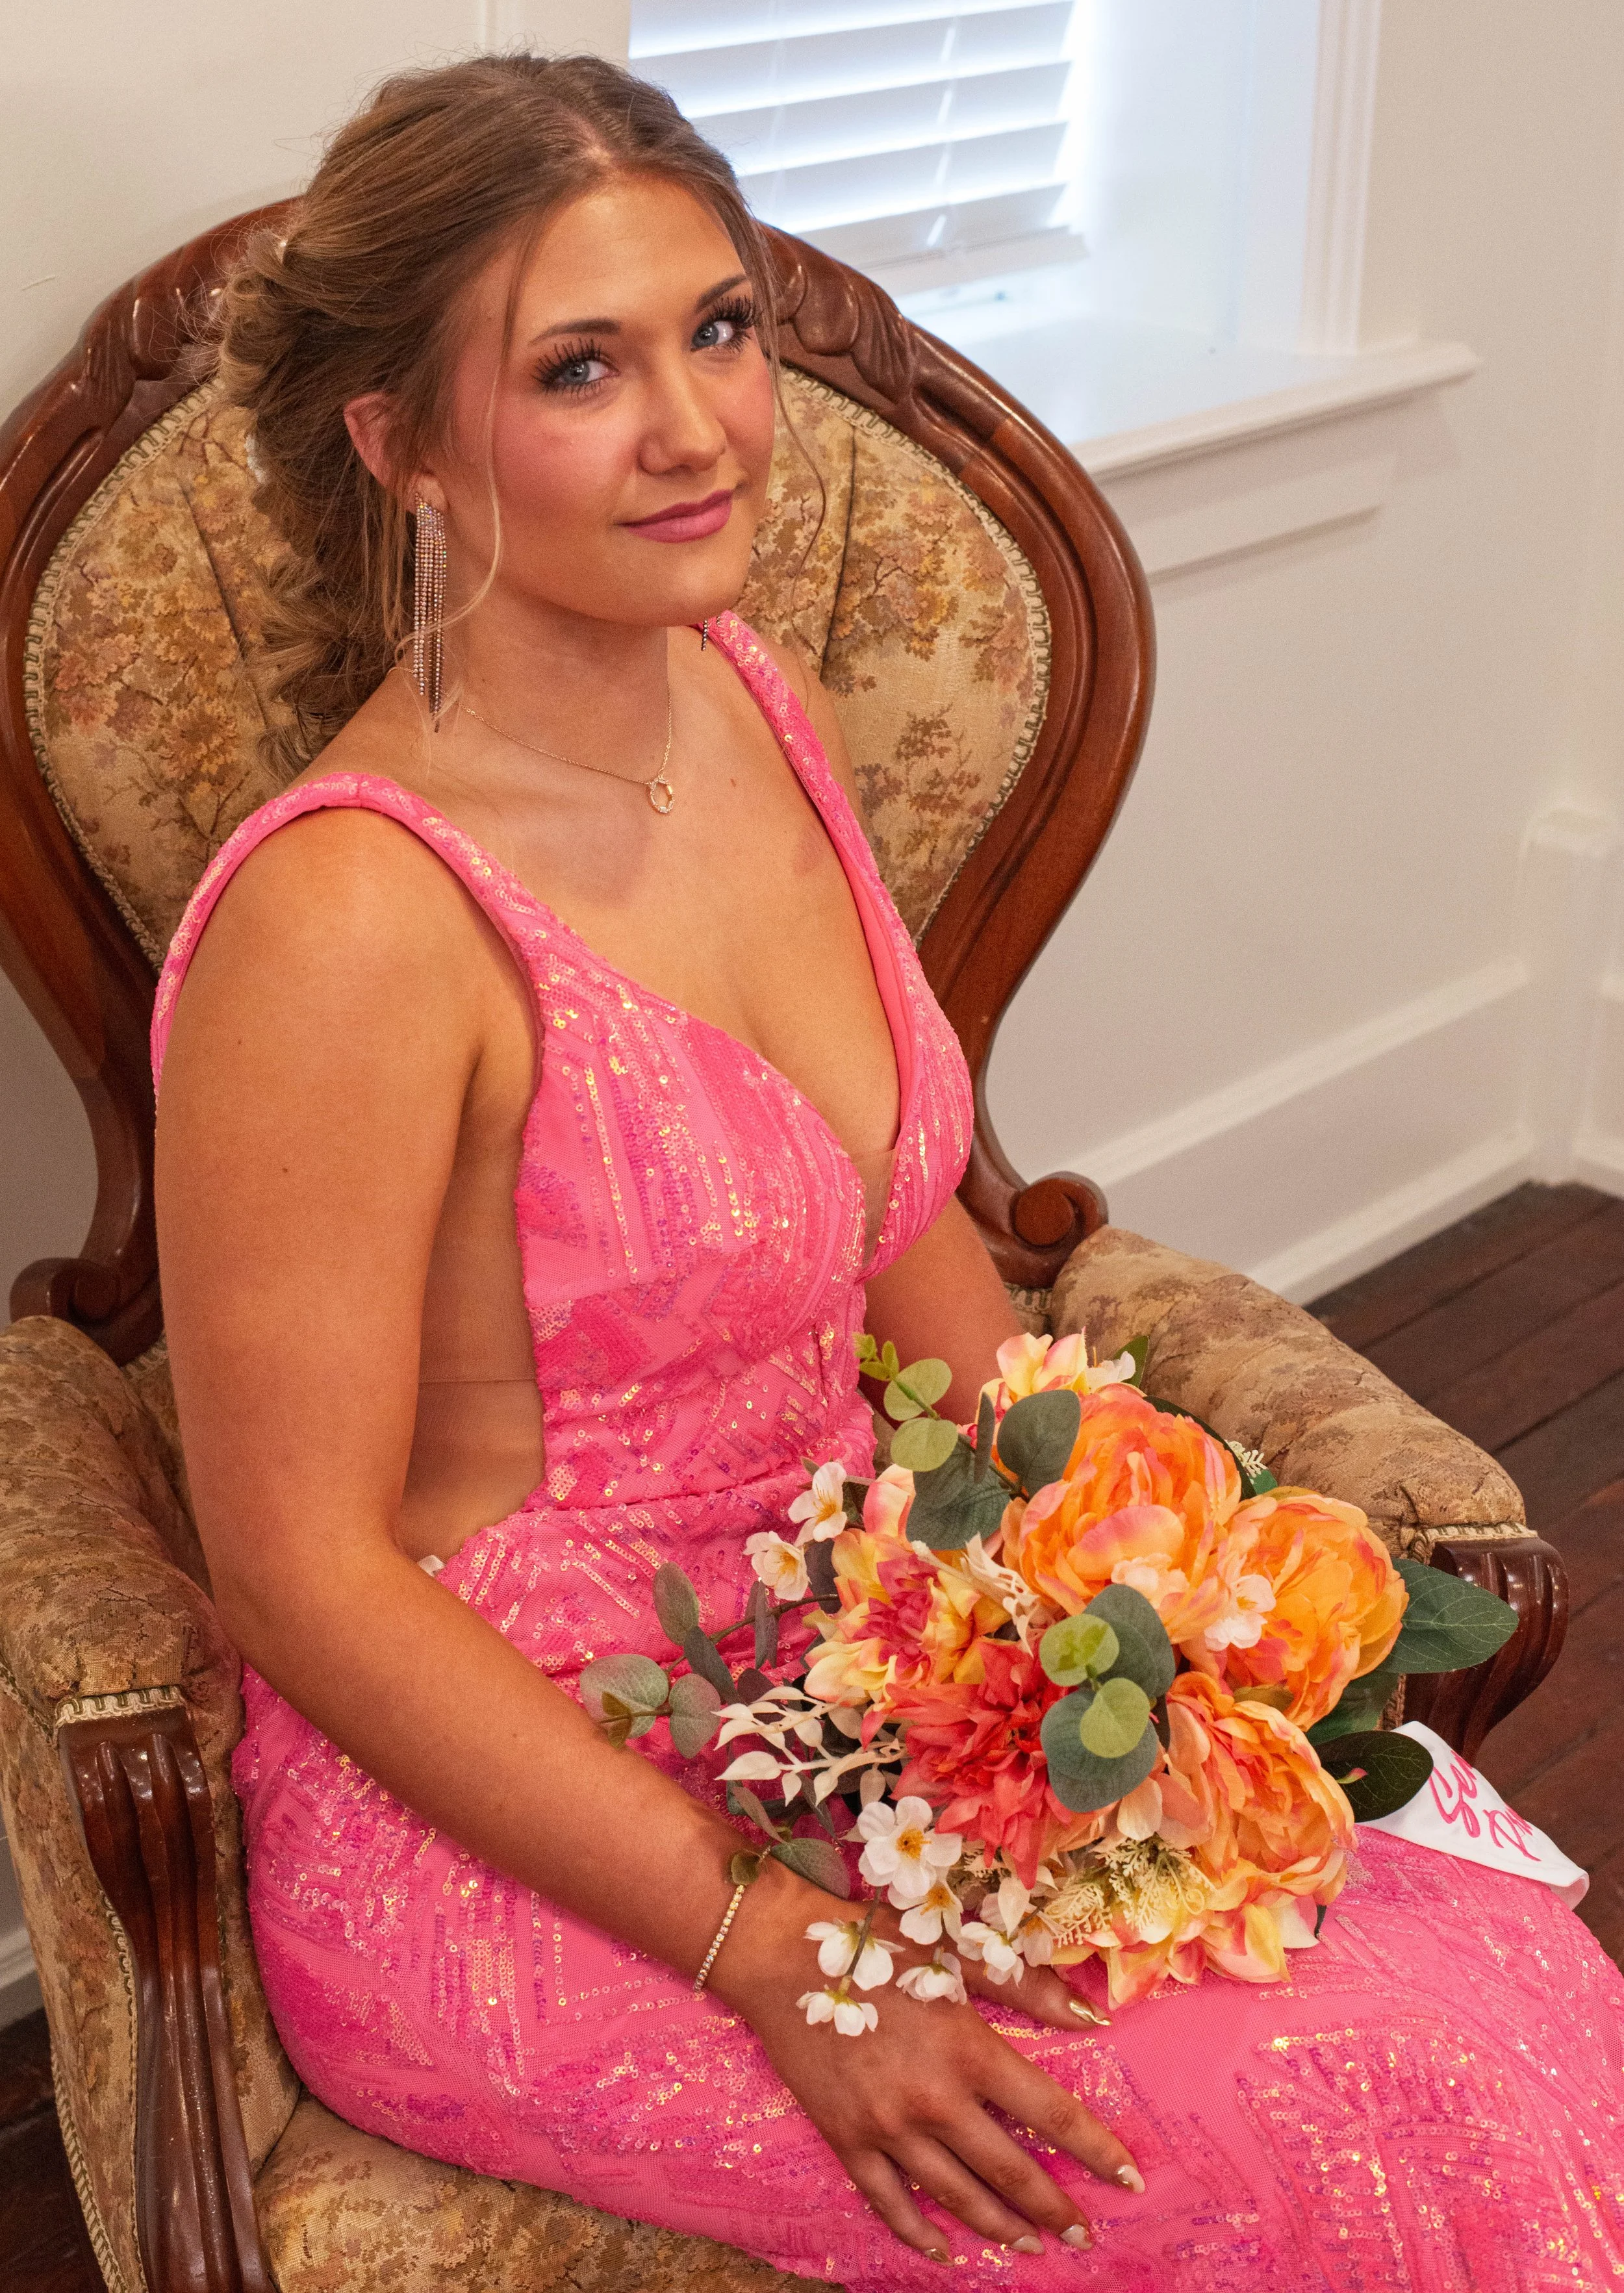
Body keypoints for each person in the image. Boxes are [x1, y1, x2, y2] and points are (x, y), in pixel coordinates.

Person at [153, 52, 1624, 2290]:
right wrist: (780, 1957)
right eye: (578, 368)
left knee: (1499, 2001)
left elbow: (884, 1221)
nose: (699, 428)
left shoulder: (748, 699)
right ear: (403, 447)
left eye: (717, 328)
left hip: (869, 1651)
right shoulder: (347, 922)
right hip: (539, 1808)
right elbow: (298, 1572)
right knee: (1373, 2124)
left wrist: (1138, 1594)